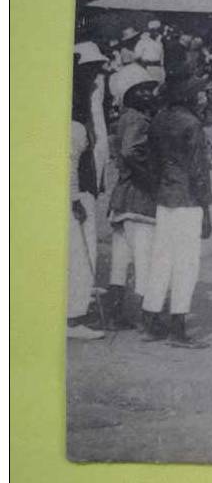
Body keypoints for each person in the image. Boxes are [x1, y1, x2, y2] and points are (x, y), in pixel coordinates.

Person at [141, 71, 212, 347]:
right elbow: (198, 171)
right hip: (188, 200)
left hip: (165, 195)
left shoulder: (159, 119)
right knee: (186, 263)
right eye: (199, 92)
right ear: (188, 96)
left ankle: (150, 320)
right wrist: (206, 209)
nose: (203, 96)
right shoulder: (192, 124)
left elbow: (152, 161)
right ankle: (178, 328)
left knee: (161, 259)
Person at [106, 75, 159, 329]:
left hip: (122, 196)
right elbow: (130, 151)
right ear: (133, 93)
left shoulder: (123, 119)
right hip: (139, 195)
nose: (151, 94)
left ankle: (115, 313)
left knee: (120, 258)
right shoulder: (139, 119)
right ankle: (149, 316)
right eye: (146, 90)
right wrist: (151, 178)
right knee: (144, 256)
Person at [66, 53, 105, 340]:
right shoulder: (74, 125)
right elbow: (66, 164)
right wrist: (73, 199)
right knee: (76, 257)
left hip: (74, 189)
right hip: (70, 194)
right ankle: (72, 319)